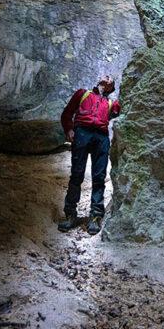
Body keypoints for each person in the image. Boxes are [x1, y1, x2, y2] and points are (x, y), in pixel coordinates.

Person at [57, 75, 121, 235]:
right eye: (105, 76)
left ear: (111, 87)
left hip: (101, 136)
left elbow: (124, 109)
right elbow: (67, 113)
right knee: (77, 174)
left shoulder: (112, 103)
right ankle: (70, 214)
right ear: (98, 80)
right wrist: (69, 129)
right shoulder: (83, 94)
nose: (107, 78)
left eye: (110, 78)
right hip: (82, 133)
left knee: (99, 177)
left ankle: (95, 216)